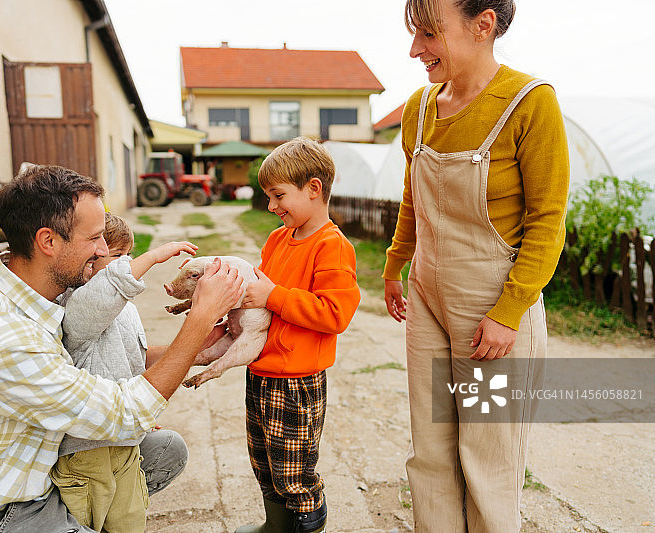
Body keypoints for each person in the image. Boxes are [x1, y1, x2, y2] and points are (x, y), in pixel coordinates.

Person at [0, 165, 244, 532]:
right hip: (1, 513)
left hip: (43, 469)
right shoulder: (3, 337)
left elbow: (116, 361)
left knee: (166, 451)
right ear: (48, 242)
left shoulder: (37, 292)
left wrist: (197, 350)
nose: (105, 250)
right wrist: (200, 317)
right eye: (94, 238)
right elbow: (126, 412)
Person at [382, 1, 569, 531]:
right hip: (427, 299)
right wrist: (396, 264)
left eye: (429, 33)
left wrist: (509, 313)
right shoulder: (418, 108)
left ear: (482, 26)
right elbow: (412, 197)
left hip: (490, 312)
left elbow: (548, 221)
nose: (415, 49)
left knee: (487, 459)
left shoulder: (530, 104)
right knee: (431, 452)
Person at [238, 137, 361, 533]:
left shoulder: (332, 247)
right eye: (268, 197)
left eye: (278, 196)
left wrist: (274, 295)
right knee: (264, 461)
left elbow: (335, 312)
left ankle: (306, 525)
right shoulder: (277, 239)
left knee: (295, 472)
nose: (272, 206)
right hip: (260, 372)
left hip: (296, 382)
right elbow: (258, 296)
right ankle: (275, 526)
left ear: (313, 188)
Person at [51, 213, 195, 532]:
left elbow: (135, 361)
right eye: (117, 257)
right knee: (88, 519)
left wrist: (199, 349)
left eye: (128, 255)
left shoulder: (126, 310)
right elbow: (110, 288)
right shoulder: (73, 307)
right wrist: (155, 256)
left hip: (125, 442)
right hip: (86, 453)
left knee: (129, 519)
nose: (125, 263)